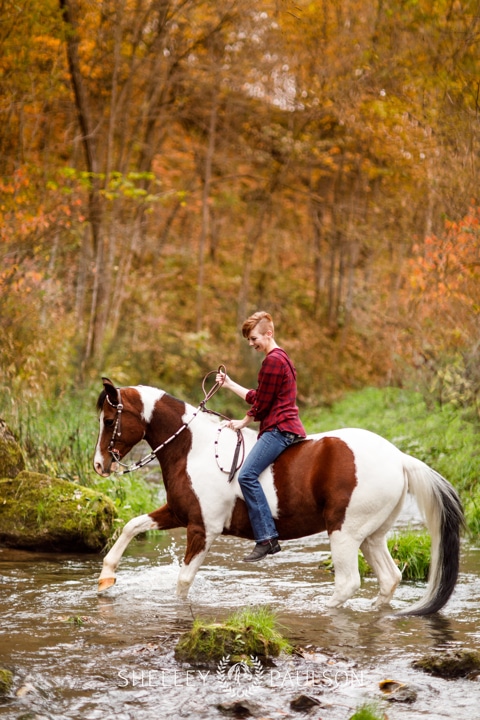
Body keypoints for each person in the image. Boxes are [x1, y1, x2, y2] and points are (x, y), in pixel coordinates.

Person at [216, 311, 306, 562]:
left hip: (279, 429)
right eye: (248, 340)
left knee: (246, 475)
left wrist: (243, 422)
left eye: (254, 338)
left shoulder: (273, 361)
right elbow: (260, 396)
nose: (251, 344)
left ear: (269, 333)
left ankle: (266, 538)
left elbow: (262, 404)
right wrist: (230, 384)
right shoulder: (280, 358)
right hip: (282, 426)